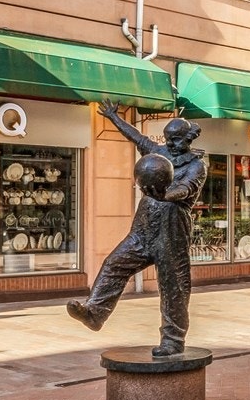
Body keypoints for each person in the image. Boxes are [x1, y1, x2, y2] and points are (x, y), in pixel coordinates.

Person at [67, 102, 206, 357]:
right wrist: (113, 117)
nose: (170, 145)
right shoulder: (158, 152)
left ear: (186, 139)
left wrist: (164, 195)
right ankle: (95, 313)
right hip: (142, 229)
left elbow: (186, 188)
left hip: (171, 231)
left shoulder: (196, 165)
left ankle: (173, 341)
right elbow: (135, 136)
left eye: (175, 140)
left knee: (173, 287)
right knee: (114, 264)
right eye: (168, 139)